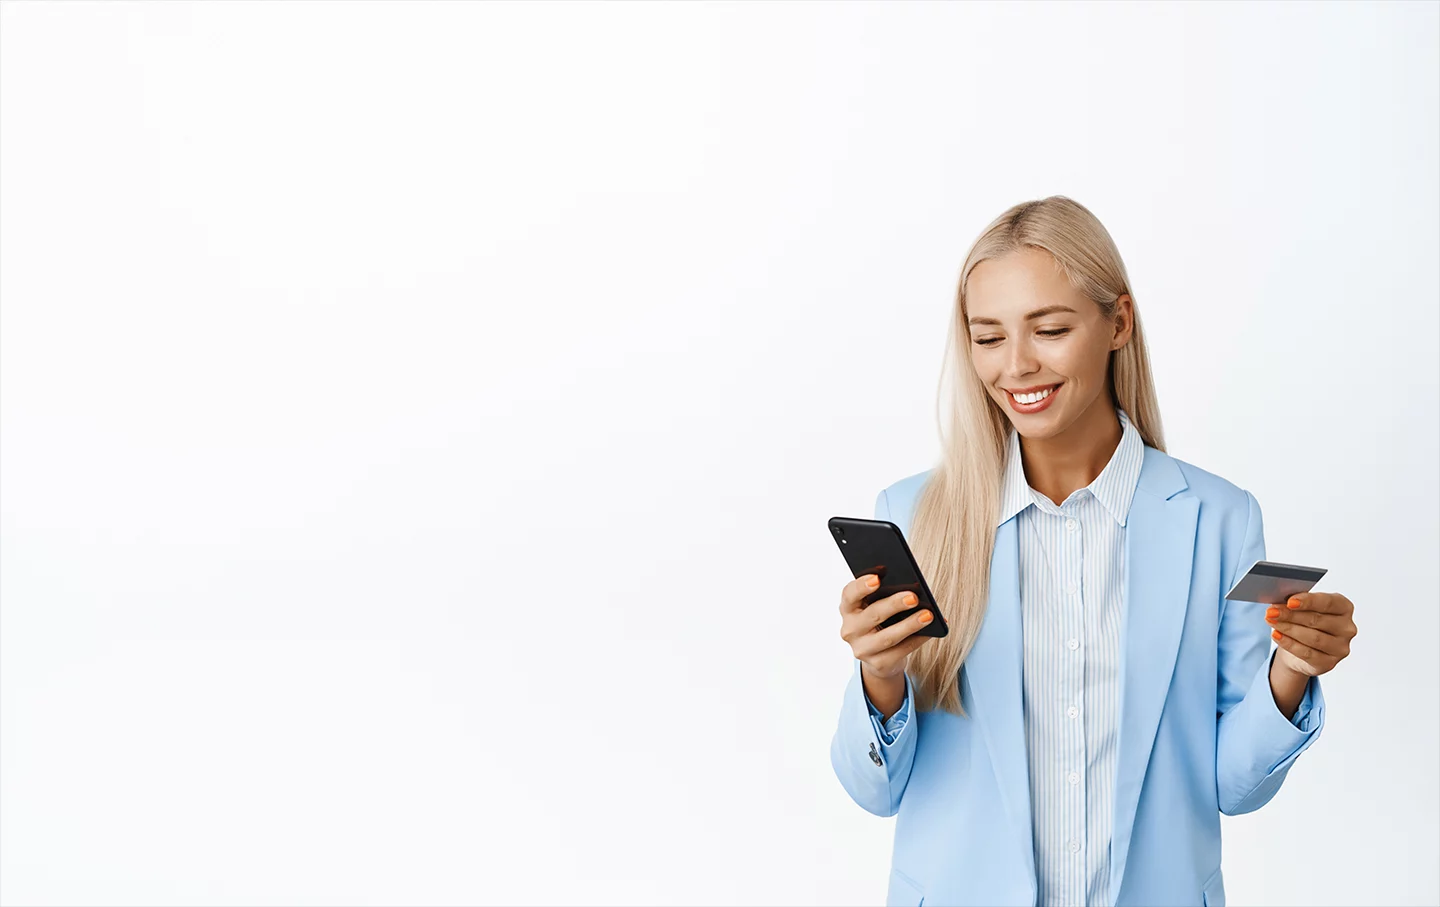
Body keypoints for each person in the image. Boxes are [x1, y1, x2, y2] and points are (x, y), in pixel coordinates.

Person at [829, 197, 1358, 907]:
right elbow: (873, 791)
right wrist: (880, 675)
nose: (1016, 365)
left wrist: (1291, 668)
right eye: (987, 337)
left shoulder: (1219, 520)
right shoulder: (914, 517)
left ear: (1118, 322)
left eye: (1048, 328)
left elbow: (1235, 788)